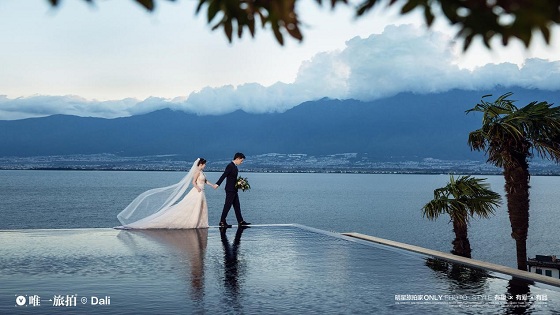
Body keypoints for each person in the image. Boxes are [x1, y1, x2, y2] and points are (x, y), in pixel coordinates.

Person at [116, 158, 215, 229]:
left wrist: (212, 185)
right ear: (201, 164)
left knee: (201, 207)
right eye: (204, 164)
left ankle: (199, 223)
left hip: (201, 192)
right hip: (197, 192)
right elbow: (193, 182)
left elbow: (205, 181)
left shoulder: (202, 172)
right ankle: (193, 222)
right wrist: (197, 188)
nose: (205, 165)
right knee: (192, 207)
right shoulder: (197, 172)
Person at [215, 152, 250, 228]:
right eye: (241, 160)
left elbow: (233, 178)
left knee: (237, 206)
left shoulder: (235, 167)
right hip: (230, 189)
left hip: (234, 189)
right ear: (237, 158)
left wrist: (240, 183)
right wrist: (217, 184)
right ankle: (222, 221)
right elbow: (224, 175)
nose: (242, 162)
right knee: (227, 205)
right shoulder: (230, 166)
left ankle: (240, 221)